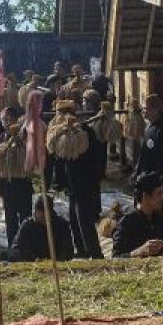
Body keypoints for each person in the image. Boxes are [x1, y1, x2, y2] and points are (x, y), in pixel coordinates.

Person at [62, 99, 106, 260]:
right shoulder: (64, 135)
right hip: (73, 186)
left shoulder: (84, 132)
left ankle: (96, 255)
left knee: (84, 222)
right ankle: (81, 250)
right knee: (74, 221)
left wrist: (94, 181)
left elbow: (95, 158)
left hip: (85, 185)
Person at [112, 172, 163, 258]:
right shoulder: (126, 223)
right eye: (159, 194)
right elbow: (115, 258)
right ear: (146, 196)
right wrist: (139, 251)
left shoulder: (161, 219)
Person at [0, 106, 33, 247]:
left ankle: (27, 245)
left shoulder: (25, 138)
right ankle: (13, 246)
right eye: (3, 120)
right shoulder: (0, 140)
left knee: (26, 217)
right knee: (10, 219)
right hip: (8, 186)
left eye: (8, 119)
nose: (6, 123)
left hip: (23, 184)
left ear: (16, 120)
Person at [13, 195, 74, 261]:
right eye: (38, 214)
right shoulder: (27, 225)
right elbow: (17, 248)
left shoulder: (61, 225)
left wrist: (58, 259)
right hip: (32, 262)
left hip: (57, 263)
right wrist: (33, 258)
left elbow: (68, 250)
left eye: (44, 216)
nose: (41, 218)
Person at [133, 94, 163, 183]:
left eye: (145, 108)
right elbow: (143, 152)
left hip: (156, 177)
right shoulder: (148, 128)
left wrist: (157, 176)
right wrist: (137, 171)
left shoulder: (162, 130)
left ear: (155, 110)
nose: (143, 111)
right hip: (145, 174)